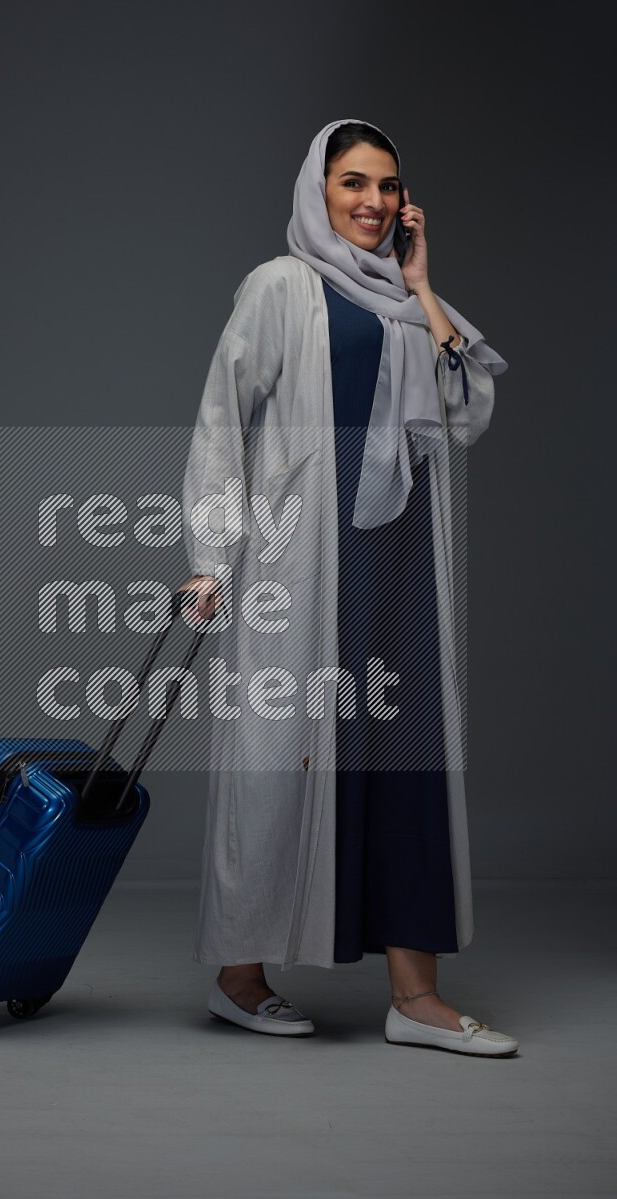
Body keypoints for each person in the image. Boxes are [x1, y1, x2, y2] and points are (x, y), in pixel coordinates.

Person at [177, 118, 518, 1056]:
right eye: (351, 184)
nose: (370, 202)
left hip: (404, 569)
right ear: (316, 190)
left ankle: (415, 998)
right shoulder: (281, 286)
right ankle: (241, 977)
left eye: (386, 186)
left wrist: (421, 282)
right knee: (281, 761)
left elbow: (464, 411)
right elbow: (221, 415)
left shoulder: (410, 304)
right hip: (305, 561)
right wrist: (211, 554)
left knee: (407, 762)